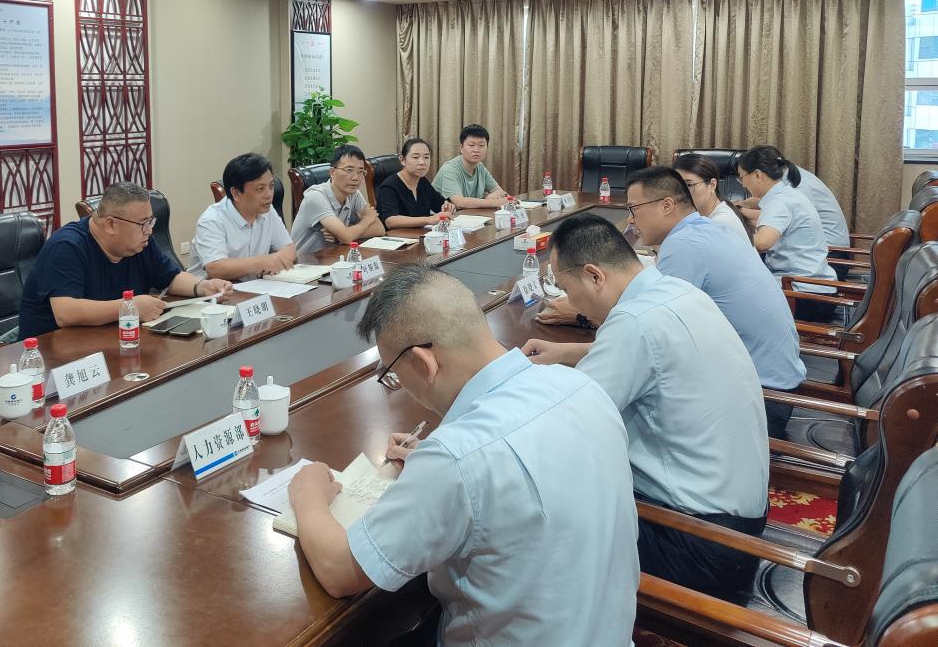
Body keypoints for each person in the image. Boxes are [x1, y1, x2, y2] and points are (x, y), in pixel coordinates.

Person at [287, 264, 639, 646]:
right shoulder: (579, 385)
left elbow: (340, 571)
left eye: (392, 373)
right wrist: (433, 467)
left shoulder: (457, 458)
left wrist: (308, 496)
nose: (398, 384)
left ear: (424, 363)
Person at [524, 214, 769, 597]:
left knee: (531, 506)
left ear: (594, 276)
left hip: (696, 542)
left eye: (567, 290)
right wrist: (566, 352)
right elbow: (654, 355)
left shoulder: (633, 323)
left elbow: (565, 421)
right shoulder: (677, 291)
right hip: (739, 521)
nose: (571, 303)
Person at [627, 167, 805, 437]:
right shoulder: (709, 228)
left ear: (666, 205)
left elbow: (654, 332)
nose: (631, 219)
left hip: (759, 399)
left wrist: (581, 315)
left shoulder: (684, 243)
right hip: (775, 382)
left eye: (634, 208)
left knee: (625, 411)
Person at [19, 183, 231, 338]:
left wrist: (202, 287)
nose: (149, 230)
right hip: (55, 353)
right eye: (143, 223)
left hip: (112, 338)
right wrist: (130, 307)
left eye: (151, 222)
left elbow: (169, 277)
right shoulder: (67, 246)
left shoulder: (139, 243)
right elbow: (66, 312)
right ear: (111, 224)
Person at [735, 145, 838, 321]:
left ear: (757, 175)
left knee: (730, 299)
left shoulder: (780, 202)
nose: (743, 184)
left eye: (742, 177)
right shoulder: (786, 195)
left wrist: (729, 236)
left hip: (804, 296)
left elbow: (762, 242)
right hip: (815, 289)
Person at [188, 153, 297, 280]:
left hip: (255, 287)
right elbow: (216, 268)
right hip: (213, 290)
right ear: (236, 193)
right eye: (260, 189)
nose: (269, 195)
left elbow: (289, 249)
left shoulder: (268, 211)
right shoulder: (212, 219)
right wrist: (262, 262)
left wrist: (277, 260)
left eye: (271, 186)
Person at [289, 145, 385, 256]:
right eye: (349, 170)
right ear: (332, 172)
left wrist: (342, 234)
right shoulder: (315, 196)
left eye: (360, 171)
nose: (355, 178)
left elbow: (379, 228)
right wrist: (367, 220)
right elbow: (347, 237)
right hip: (304, 263)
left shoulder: (353, 194)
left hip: (332, 258)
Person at [375, 137, 456, 229]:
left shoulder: (422, 181)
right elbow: (390, 221)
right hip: (397, 236)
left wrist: (448, 206)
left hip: (420, 234)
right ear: (402, 160)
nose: (422, 162)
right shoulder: (389, 187)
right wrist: (429, 219)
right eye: (416, 157)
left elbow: (440, 205)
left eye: (426, 157)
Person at [672, 153, 751, 245]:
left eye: (689, 185)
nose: (681, 193)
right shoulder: (701, 215)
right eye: (677, 186)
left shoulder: (720, 223)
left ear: (712, 185)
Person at [431, 124, 508, 210]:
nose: (476, 150)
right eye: (471, 145)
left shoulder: (480, 167)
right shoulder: (450, 169)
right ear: (461, 148)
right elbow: (459, 202)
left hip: (467, 215)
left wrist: (492, 197)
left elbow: (499, 191)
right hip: (438, 216)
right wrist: (494, 202)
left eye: (481, 145)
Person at [793, 164, 851, 248]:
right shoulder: (796, 175)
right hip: (820, 245)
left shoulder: (798, 183)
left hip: (829, 250)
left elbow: (789, 223)